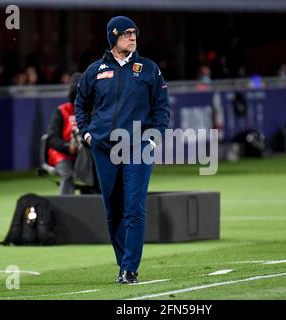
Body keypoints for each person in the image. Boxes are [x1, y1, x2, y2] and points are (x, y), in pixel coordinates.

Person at [75, 16, 170, 284]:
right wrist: (88, 134)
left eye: (134, 33)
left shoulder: (149, 69)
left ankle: (130, 269)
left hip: (139, 146)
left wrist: (153, 139)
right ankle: (123, 265)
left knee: (134, 207)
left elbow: (162, 107)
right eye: (127, 33)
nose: (132, 37)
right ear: (113, 37)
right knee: (113, 211)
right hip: (104, 148)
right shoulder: (95, 71)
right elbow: (80, 104)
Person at [46, 73, 83, 195]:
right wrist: (68, 147)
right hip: (61, 154)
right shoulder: (62, 111)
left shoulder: (91, 112)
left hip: (84, 155)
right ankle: (65, 206)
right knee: (68, 175)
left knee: (100, 175)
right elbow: (51, 139)